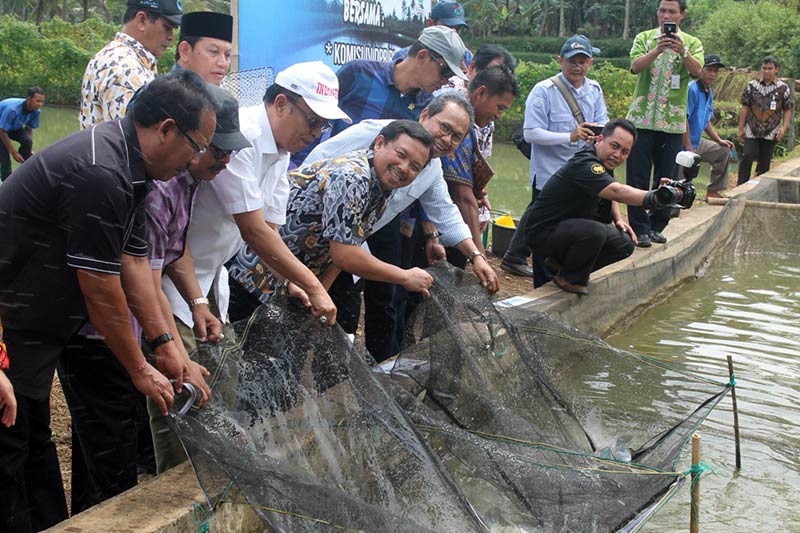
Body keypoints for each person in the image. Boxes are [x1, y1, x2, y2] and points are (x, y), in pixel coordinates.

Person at [0, 70, 216, 533]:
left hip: (39, 321)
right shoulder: (101, 171)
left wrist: (169, 348)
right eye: (197, 146)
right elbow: (101, 289)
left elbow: (134, 265)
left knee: (34, 450)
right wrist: (139, 368)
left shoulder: (133, 169)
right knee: (10, 451)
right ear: (165, 130)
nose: (197, 159)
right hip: (10, 316)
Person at [162, 62, 347, 396]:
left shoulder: (282, 152)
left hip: (211, 276)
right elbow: (253, 231)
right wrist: (314, 286)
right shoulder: (240, 135)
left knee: (223, 382)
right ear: (281, 104)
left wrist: (290, 280)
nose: (316, 132)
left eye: (324, 126)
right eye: (313, 120)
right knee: (183, 384)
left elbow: (270, 228)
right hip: (173, 272)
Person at [234, 121, 436, 312]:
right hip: (254, 273)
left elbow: (345, 251)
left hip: (294, 285)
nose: (404, 168)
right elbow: (345, 255)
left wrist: (320, 296)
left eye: (415, 167)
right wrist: (404, 276)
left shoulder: (383, 187)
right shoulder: (352, 177)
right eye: (401, 154)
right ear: (380, 143)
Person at [524, 119, 685, 295]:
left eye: (625, 152)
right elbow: (616, 191)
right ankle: (569, 277)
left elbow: (608, 188)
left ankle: (566, 268)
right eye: (614, 146)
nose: (617, 155)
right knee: (596, 231)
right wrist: (656, 197)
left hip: (569, 230)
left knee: (624, 243)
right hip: (543, 233)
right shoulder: (585, 163)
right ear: (599, 139)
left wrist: (618, 219)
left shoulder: (603, 162)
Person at [502, 35, 609, 279]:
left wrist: (597, 132)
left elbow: (604, 120)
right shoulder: (544, 91)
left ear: (590, 63)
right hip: (551, 169)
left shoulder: (594, 90)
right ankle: (527, 260)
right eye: (572, 61)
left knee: (573, 216)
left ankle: (552, 262)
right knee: (542, 218)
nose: (577, 66)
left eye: (583, 61)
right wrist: (569, 136)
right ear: (560, 61)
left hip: (581, 168)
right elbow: (530, 133)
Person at [625, 0, 703, 248]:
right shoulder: (644, 38)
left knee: (667, 179)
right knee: (636, 177)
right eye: (662, 11)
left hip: (672, 124)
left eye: (672, 11)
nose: (666, 15)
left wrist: (683, 52)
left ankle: (657, 225)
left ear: (682, 15)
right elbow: (635, 67)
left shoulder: (692, 43)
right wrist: (657, 50)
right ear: (657, 13)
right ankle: (639, 228)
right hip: (641, 120)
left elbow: (697, 72)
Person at [442, 64, 519, 268]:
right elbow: (463, 197)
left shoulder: (476, 121)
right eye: (500, 107)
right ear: (481, 93)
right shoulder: (457, 120)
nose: (500, 115)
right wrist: (479, 255)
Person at [80, 0, 182, 129]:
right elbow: (128, 140)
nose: (171, 37)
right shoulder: (127, 70)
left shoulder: (110, 54)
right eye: (167, 27)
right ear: (142, 21)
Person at [684, 54, 735, 199]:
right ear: (701, 70)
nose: (713, 74)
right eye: (709, 70)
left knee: (723, 151)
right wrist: (688, 148)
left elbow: (705, 121)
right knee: (680, 183)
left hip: (697, 141)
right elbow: (683, 119)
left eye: (716, 71)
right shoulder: (692, 89)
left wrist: (718, 140)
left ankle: (713, 190)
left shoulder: (708, 91)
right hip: (684, 144)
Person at [737, 56, 793, 184]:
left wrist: (784, 128)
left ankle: (759, 186)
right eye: (764, 68)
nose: (767, 71)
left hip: (771, 129)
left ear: (776, 70)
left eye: (770, 68)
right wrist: (741, 128)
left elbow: (787, 108)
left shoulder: (783, 88)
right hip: (752, 127)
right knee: (747, 155)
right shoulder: (752, 86)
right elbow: (745, 107)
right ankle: (740, 185)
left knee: (765, 160)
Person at [173, 11, 232, 86]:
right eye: (214, 51)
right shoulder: (163, 93)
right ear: (185, 51)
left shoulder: (219, 95)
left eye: (227, 55)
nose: (222, 63)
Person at [0, 87, 45, 181]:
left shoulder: (36, 111)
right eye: (37, 101)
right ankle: (6, 183)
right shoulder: (12, 109)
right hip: (2, 129)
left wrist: (30, 149)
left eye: (42, 101)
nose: (40, 104)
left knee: (28, 142)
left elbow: (29, 128)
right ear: (29, 99)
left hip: (14, 126)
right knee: (5, 161)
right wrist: (14, 152)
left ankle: (25, 174)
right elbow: (2, 131)